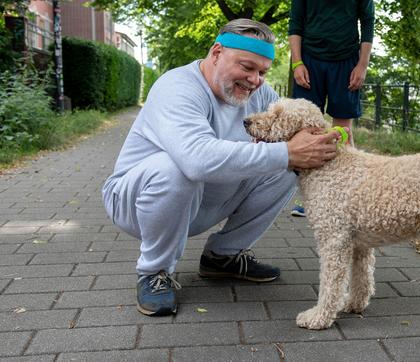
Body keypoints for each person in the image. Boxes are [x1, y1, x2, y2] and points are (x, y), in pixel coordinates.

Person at [102, 19, 341, 316]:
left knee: (290, 165)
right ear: (216, 53)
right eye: (247, 67)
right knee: (177, 167)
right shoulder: (177, 87)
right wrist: (286, 152)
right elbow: (196, 159)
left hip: (203, 199)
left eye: (263, 72)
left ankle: (223, 256)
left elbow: (292, 128)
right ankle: (154, 271)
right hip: (136, 202)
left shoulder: (260, 94)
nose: (255, 80)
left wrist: (324, 140)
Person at [288, 0, 375, 217]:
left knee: (343, 128)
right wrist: (297, 63)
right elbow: (295, 24)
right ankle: (308, 197)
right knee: (306, 129)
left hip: (346, 60)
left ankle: (351, 193)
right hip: (308, 60)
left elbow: (368, 23)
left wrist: (362, 65)